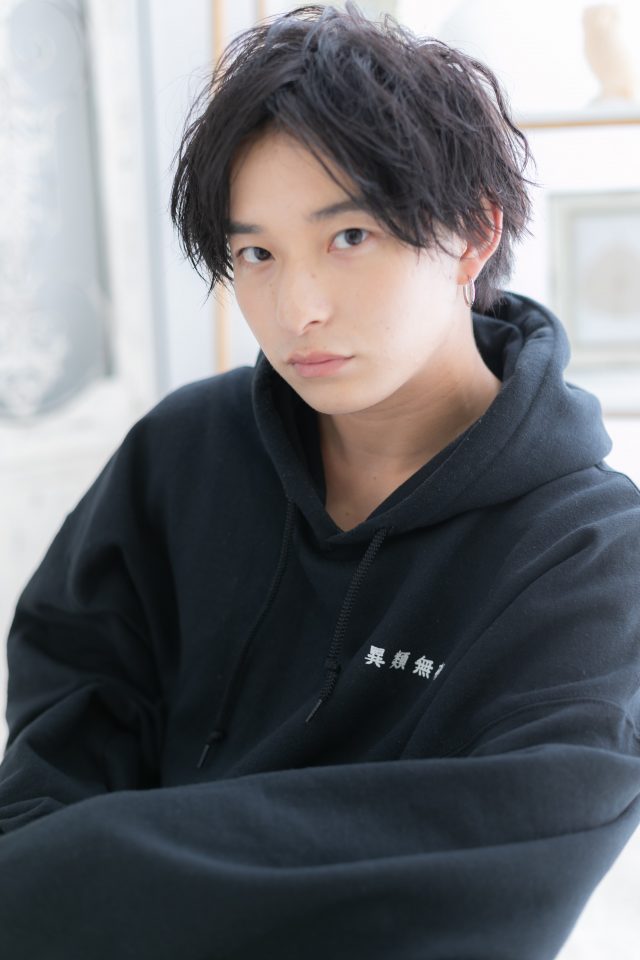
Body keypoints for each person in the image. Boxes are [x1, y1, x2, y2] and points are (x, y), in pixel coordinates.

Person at [0, 3, 639, 958]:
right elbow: (60, 731)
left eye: (349, 237)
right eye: (256, 253)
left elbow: (488, 870)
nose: (296, 307)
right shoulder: (184, 451)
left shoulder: (592, 557)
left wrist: (69, 872)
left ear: (473, 233)